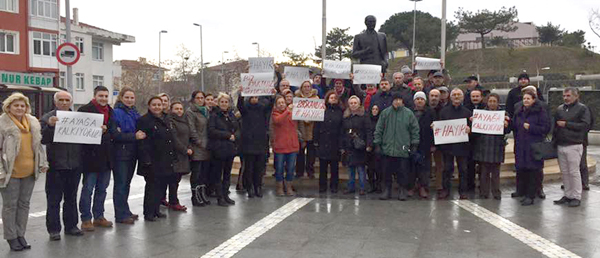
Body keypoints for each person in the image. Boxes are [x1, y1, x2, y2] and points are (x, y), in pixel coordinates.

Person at [0, 92, 48, 251]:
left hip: (29, 172)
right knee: (10, 206)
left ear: (27, 107)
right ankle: (11, 237)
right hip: (9, 172)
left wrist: (42, 162)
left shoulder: (33, 122)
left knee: (24, 205)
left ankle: (21, 234)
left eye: (22, 105)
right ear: (8, 107)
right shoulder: (2, 123)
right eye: (16, 105)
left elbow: (38, 146)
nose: (19, 108)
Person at [41, 91, 84, 241]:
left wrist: (100, 132)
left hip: (75, 165)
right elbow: (43, 139)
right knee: (54, 199)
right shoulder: (47, 118)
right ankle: (54, 230)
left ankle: (71, 226)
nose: (64, 103)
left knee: (71, 198)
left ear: (71, 102)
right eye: (61, 100)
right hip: (56, 166)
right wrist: (51, 127)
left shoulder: (79, 118)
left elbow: (87, 138)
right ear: (55, 102)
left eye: (67, 100)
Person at [78, 86, 116, 231]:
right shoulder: (84, 110)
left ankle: (99, 216)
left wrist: (107, 132)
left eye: (106, 96)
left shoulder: (111, 112)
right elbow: (80, 133)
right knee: (88, 189)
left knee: (102, 189)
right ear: (95, 96)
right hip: (90, 158)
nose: (104, 98)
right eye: (101, 96)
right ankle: (86, 219)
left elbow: (112, 132)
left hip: (106, 158)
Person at [137, 96, 177, 221]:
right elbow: (142, 143)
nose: (157, 107)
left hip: (165, 159)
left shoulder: (165, 119)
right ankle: (149, 213)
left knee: (161, 186)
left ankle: (156, 210)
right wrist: (146, 160)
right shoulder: (144, 120)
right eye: (154, 105)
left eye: (159, 105)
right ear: (149, 106)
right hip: (152, 160)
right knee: (151, 187)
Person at [374, 92, 420, 200]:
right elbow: (379, 129)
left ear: (402, 101)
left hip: (403, 148)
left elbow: (415, 130)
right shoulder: (385, 113)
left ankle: (402, 190)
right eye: (395, 99)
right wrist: (377, 143)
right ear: (392, 101)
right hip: (387, 148)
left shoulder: (409, 114)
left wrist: (414, 144)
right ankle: (387, 190)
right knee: (386, 171)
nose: (397, 101)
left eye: (399, 99)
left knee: (403, 171)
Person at [110, 87, 144, 225]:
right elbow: (115, 134)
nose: (130, 100)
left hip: (132, 152)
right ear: (121, 98)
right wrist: (133, 136)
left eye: (132, 97)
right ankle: (120, 215)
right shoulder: (116, 113)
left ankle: (125, 210)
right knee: (121, 184)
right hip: (121, 153)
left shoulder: (134, 112)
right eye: (127, 97)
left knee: (126, 184)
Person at [553, 88, 591, 207]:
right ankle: (568, 194)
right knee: (564, 172)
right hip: (561, 144)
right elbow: (555, 126)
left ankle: (576, 196)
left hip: (574, 144)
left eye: (568, 95)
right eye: (564, 95)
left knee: (574, 171)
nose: (566, 98)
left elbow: (585, 125)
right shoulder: (560, 109)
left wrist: (567, 124)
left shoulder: (582, 108)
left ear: (575, 96)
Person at [512, 89, 551, 206]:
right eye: (524, 99)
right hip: (521, 145)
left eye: (528, 98)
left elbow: (546, 128)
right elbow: (514, 126)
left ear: (534, 100)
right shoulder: (519, 111)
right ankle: (522, 192)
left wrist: (531, 127)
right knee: (522, 169)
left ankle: (531, 195)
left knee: (533, 171)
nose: (526, 100)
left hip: (534, 146)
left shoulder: (540, 111)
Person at [237, 87, 274, 198]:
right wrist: (240, 94)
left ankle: (258, 186)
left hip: (261, 142)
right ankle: (250, 187)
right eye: (252, 97)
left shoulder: (262, 109)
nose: (254, 99)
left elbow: (270, 107)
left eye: (256, 97)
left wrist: (272, 96)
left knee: (259, 168)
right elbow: (240, 106)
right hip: (248, 143)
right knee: (249, 168)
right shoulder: (245, 110)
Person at [472, 93, 510, 200]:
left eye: (494, 101)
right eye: (490, 101)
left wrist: (506, 125)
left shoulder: (504, 114)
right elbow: (475, 131)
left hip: (496, 146)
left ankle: (496, 192)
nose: (492, 103)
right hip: (484, 146)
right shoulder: (481, 114)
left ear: (498, 102)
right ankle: (484, 192)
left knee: (496, 173)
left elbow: (507, 131)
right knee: (483, 172)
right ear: (487, 102)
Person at [438, 88, 472, 200]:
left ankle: (463, 191)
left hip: (462, 146)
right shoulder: (444, 111)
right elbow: (440, 127)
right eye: (454, 95)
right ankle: (445, 190)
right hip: (448, 146)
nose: (456, 97)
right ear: (450, 97)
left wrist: (469, 129)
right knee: (447, 169)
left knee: (463, 169)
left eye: (459, 95)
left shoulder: (467, 112)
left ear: (462, 97)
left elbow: (473, 130)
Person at [208, 93, 240, 206]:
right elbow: (211, 131)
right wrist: (227, 135)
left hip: (230, 149)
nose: (224, 104)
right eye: (222, 102)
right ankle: (219, 197)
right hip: (219, 149)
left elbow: (237, 128)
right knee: (218, 174)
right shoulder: (214, 115)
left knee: (227, 173)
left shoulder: (231, 115)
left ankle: (226, 195)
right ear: (218, 103)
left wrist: (236, 135)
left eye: (226, 102)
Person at [342, 96, 373, 195]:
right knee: (350, 169)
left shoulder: (364, 116)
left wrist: (369, 144)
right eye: (351, 103)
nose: (353, 105)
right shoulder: (346, 116)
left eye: (355, 103)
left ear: (359, 104)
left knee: (361, 169)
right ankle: (350, 187)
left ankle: (362, 188)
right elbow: (342, 131)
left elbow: (368, 130)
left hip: (360, 146)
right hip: (349, 146)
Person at [314, 91, 344, 193]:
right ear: (327, 99)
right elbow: (317, 126)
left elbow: (342, 128)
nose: (333, 99)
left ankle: (334, 186)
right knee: (323, 168)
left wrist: (341, 144)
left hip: (335, 142)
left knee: (334, 168)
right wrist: (316, 140)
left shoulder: (341, 112)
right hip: (323, 141)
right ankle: (322, 186)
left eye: (335, 98)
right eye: (331, 98)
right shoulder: (322, 110)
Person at [271, 95, 300, 196]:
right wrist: (287, 110)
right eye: (279, 103)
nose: (281, 104)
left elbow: (304, 118)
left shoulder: (293, 113)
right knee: (279, 168)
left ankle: (288, 187)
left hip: (292, 145)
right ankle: (279, 187)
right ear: (276, 105)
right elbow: (278, 120)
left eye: (283, 102)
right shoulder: (275, 114)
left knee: (291, 168)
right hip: (280, 146)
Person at [187, 91, 212, 206]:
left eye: (202, 97)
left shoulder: (207, 111)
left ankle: (202, 194)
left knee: (204, 173)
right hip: (197, 146)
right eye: (198, 98)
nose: (200, 100)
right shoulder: (190, 112)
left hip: (208, 146)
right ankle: (195, 196)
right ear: (193, 99)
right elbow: (191, 129)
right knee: (196, 173)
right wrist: (199, 142)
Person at [168, 102, 193, 211]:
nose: (179, 111)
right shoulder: (170, 121)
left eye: (180, 109)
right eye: (176, 108)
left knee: (177, 179)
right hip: (176, 154)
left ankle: (173, 200)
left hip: (184, 154)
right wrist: (184, 149)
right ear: (171, 110)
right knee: (173, 180)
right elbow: (174, 139)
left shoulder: (184, 120)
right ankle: (173, 201)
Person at [410, 92, 435, 198]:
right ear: (414, 101)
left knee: (424, 168)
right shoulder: (409, 112)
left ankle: (423, 187)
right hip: (411, 144)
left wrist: (433, 144)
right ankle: (411, 186)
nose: (419, 101)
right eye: (417, 99)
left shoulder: (431, 112)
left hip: (425, 144)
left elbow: (435, 129)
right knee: (411, 167)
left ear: (425, 101)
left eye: (421, 99)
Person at [295, 81, 318, 179]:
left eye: (308, 86)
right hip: (300, 128)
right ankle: (299, 171)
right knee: (300, 152)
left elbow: (318, 114)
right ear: (301, 88)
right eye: (305, 86)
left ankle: (310, 170)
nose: (307, 88)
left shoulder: (316, 99)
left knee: (311, 153)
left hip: (312, 128)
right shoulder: (297, 99)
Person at [428, 89, 445, 193]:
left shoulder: (444, 110)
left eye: (436, 96)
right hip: (426, 141)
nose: (434, 98)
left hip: (440, 142)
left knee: (440, 165)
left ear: (439, 98)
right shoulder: (424, 109)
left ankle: (439, 186)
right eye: (432, 95)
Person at [366, 104, 382, 193]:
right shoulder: (367, 120)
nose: (375, 111)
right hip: (369, 147)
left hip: (379, 147)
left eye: (376, 109)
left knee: (379, 168)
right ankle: (371, 185)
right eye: (373, 109)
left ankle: (379, 185)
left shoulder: (382, 121)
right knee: (370, 168)